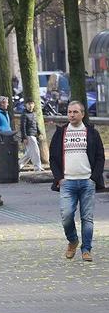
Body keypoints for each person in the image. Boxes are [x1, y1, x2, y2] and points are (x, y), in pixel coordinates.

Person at [49, 100, 105, 262]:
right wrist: (59, 178)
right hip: (67, 183)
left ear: (82, 114)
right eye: (69, 112)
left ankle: (86, 249)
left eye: (75, 112)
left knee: (87, 218)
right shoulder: (61, 133)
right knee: (66, 216)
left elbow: (100, 157)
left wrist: (94, 178)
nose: (71, 115)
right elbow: (53, 158)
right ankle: (73, 240)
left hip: (87, 182)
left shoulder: (91, 133)